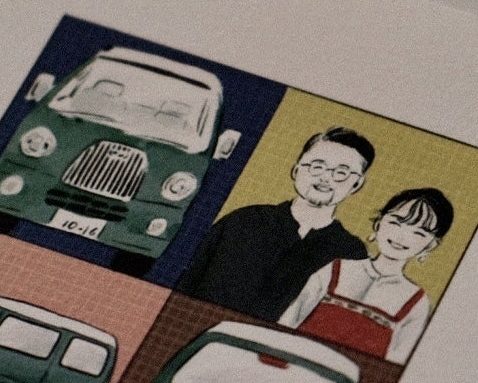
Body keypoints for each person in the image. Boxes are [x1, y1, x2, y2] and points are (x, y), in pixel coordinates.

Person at [173, 128, 374, 320]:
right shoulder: (243, 221)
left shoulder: (351, 253)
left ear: (357, 184)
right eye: (317, 166)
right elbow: (185, 285)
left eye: (341, 172)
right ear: (296, 169)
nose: (325, 177)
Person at [280, 187, 453, 364]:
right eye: (396, 223)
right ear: (378, 224)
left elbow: (395, 364)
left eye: (419, 233)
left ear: (430, 245)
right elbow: (288, 322)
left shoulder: (416, 301)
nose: (402, 237)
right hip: (297, 365)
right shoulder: (335, 269)